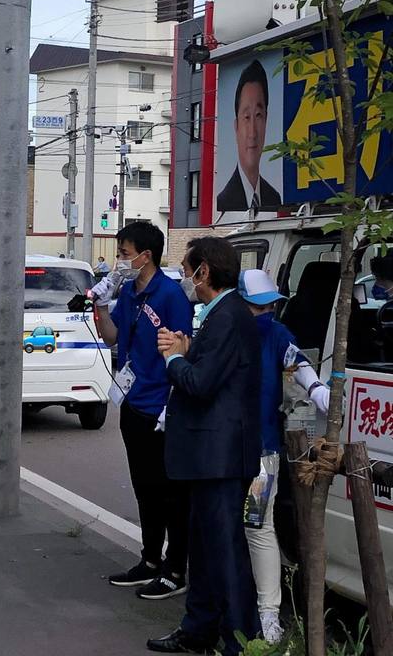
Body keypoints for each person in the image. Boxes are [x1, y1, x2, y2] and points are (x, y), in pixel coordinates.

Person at [148, 237, 261, 656]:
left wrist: (174, 358)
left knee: (225, 553)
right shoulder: (221, 315)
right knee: (205, 549)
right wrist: (187, 350)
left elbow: (201, 383)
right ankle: (198, 629)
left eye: (187, 270)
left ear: (204, 271)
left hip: (221, 457)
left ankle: (240, 641)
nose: (185, 279)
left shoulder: (228, 316)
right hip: (209, 456)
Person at [94, 222, 193, 600]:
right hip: (132, 403)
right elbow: (112, 336)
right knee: (144, 488)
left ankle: (175, 568)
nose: (120, 261)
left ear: (145, 256)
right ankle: (150, 559)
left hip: (161, 408)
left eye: (124, 254)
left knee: (169, 492)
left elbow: (182, 348)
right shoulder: (130, 293)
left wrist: (171, 404)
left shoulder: (170, 296)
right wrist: (101, 304)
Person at [237, 269, 330, 644]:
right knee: (232, 527)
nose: (265, 313)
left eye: (270, 306)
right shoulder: (225, 331)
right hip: (225, 452)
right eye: (258, 307)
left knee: (257, 526)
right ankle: (238, 605)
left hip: (262, 455)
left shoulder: (277, 335)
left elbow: (300, 368)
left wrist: (319, 389)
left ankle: (268, 613)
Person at [216, 59, 282, 213]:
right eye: (246, 117)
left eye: (258, 115)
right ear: (236, 126)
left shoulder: (274, 198)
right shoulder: (223, 202)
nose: (253, 132)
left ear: (266, 120)